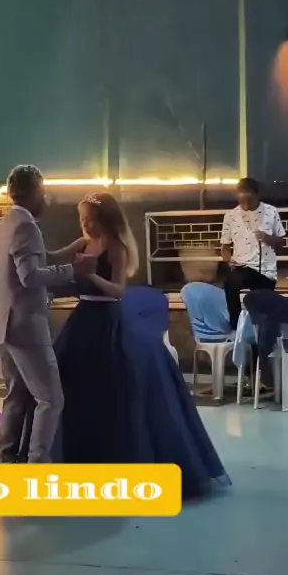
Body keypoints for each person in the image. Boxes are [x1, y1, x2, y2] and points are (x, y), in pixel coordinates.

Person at [50, 192, 230, 500]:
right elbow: (53, 256)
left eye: (90, 219)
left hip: (107, 319)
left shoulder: (115, 248)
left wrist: (90, 275)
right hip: (82, 321)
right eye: (82, 219)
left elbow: (118, 290)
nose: (85, 224)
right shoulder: (81, 244)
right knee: (72, 385)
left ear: (104, 220)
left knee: (115, 388)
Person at [0, 164, 95, 464]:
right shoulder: (26, 226)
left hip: (3, 325)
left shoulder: (6, 223)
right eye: (43, 192)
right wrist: (73, 270)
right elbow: (30, 276)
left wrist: (65, 253)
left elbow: (30, 263)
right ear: (32, 192)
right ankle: (38, 462)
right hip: (25, 328)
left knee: (16, 397)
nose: (46, 199)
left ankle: (7, 457)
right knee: (51, 399)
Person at [221, 178, 285, 330]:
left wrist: (268, 238)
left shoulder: (271, 212)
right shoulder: (230, 216)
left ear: (257, 195)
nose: (246, 205)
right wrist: (228, 260)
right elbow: (225, 248)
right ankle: (236, 327)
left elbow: (281, 241)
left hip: (265, 270)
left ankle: (263, 335)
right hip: (241, 267)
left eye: (249, 200)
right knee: (230, 283)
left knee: (263, 310)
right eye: (241, 201)